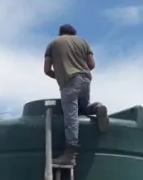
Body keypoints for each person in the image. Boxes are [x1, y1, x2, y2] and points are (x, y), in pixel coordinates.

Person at [44, 24, 109, 166]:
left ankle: (70, 154)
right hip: (85, 78)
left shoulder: (53, 44)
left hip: (69, 81)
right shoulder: (83, 42)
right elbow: (91, 64)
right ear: (74, 33)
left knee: (71, 116)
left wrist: (61, 75)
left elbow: (47, 69)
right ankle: (97, 108)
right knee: (83, 108)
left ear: (60, 33)